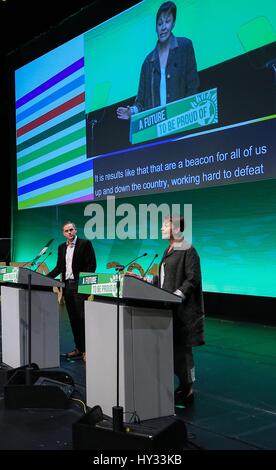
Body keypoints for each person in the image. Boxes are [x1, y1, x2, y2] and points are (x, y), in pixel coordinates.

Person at [117, 1, 199, 120]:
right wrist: (131, 112)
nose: (163, 27)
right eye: (160, 23)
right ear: (156, 27)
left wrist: (187, 114)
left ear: (173, 24)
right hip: (156, 129)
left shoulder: (185, 47)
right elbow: (141, 103)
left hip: (181, 122)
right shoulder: (148, 62)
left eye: (167, 22)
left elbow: (193, 86)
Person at [159, 215, 204, 406]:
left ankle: (188, 388)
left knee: (184, 352)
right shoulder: (168, 249)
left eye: (165, 225)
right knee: (174, 351)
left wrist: (177, 294)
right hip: (169, 308)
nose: (161, 229)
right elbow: (165, 279)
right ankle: (182, 384)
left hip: (183, 311)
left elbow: (192, 278)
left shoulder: (188, 249)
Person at [48, 221, 96, 362]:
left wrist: (83, 284)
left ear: (75, 230)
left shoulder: (85, 244)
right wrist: (45, 278)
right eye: (66, 231)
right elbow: (59, 267)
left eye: (71, 230)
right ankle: (79, 348)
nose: (69, 232)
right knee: (73, 319)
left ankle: (87, 350)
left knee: (82, 319)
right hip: (67, 286)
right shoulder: (61, 247)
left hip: (79, 286)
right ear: (63, 233)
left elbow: (92, 265)